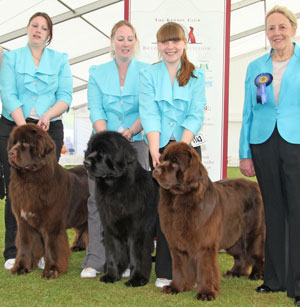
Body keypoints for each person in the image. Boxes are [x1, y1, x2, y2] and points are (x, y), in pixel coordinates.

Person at [0, 12, 73, 270]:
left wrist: (47, 116)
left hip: (48, 128)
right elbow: (7, 93)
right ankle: (14, 251)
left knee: (48, 195)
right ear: (27, 29)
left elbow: (65, 95)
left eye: (44, 27)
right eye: (34, 26)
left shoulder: (60, 60)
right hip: (14, 127)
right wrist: (24, 130)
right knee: (16, 192)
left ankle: (44, 252)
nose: (38, 30)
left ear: (49, 34)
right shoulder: (11, 57)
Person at [239, 5, 300, 306]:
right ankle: (274, 278)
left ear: (293, 28)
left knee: (297, 212)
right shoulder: (255, 67)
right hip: (263, 143)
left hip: (296, 143)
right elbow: (248, 111)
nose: (276, 33)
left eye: (282, 27)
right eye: (271, 28)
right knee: (273, 212)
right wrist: (244, 153)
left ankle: (297, 283)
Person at [139, 22, 206, 288]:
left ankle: (194, 268)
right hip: (158, 148)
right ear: (158, 45)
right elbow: (149, 112)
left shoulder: (196, 76)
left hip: (186, 150)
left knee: (192, 211)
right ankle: (166, 270)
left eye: (175, 41)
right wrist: (155, 150)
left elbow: (196, 114)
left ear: (183, 44)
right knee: (164, 210)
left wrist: (181, 150)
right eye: (164, 42)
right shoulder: (148, 74)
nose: (170, 47)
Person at [80, 20, 149, 278]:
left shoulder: (146, 72)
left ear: (136, 42)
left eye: (130, 39)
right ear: (112, 42)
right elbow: (96, 109)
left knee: (136, 205)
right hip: (102, 144)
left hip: (136, 141)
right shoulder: (97, 72)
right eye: (120, 38)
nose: (125, 44)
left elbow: (147, 109)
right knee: (97, 202)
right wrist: (108, 138)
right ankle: (96, 259)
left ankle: (133, 261)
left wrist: (130, 131)